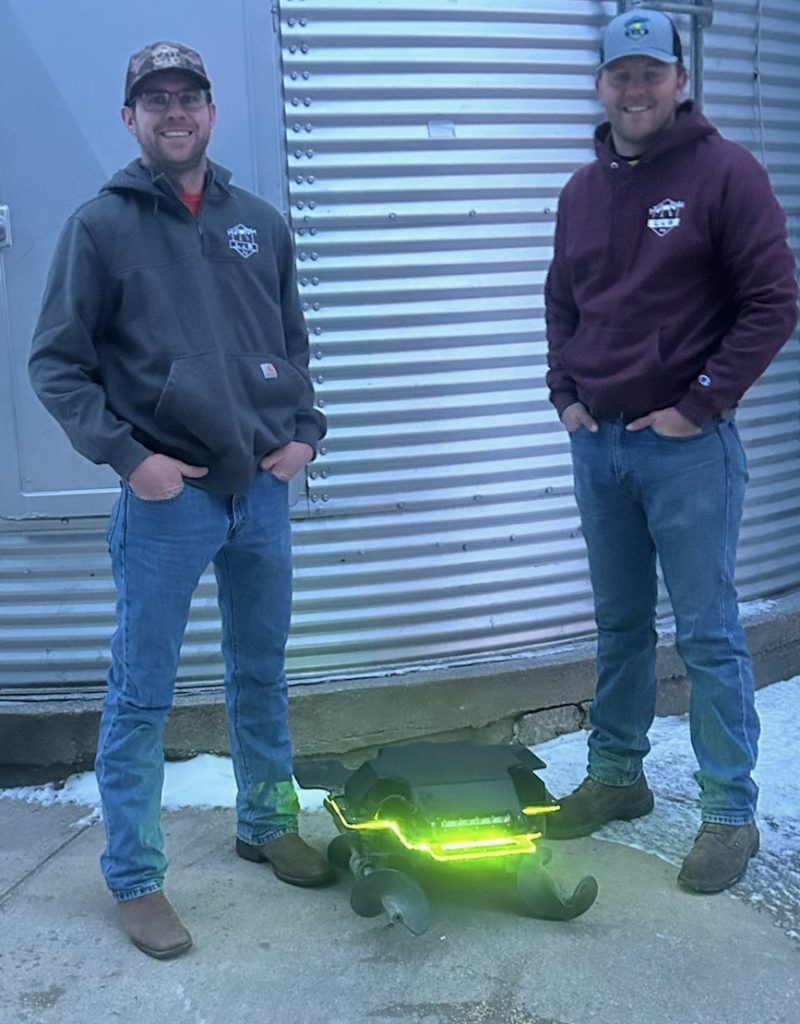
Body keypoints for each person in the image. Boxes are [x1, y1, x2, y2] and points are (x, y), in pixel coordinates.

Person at [28, 40, 336, 960]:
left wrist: (304, 434)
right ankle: (135, 878)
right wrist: (132, 460)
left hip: (261, 494)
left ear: (210, 112)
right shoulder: (101, 227)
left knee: (261, 674)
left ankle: (266, 823)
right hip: (169, 503)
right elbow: (56, 364)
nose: (174, 111)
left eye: (188, 96)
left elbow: (293, 344)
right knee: (142, 692)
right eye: (155, 99)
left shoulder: (259, 224)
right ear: (130, 117)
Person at [543, 9, 798, 893]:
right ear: (600, 85)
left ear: (680, 82)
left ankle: (729, 813)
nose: (636, 89)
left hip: (688, 453)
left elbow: (773, 301)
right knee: (619, 626)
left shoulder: (725, 173)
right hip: (601, 449)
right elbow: (561, 302)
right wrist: (565, 395)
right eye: (621, 74)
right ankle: (618, 775)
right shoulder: (581, 192)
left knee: (708, 632)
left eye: (652, 73)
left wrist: (700, 405)